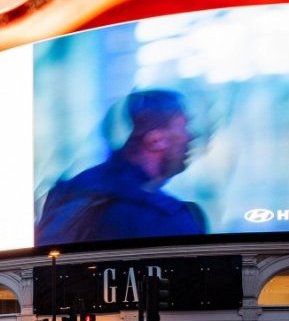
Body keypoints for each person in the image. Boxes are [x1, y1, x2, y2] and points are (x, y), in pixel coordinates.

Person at [36, 89, 208, 246]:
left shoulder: (72, 192)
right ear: (155, 141)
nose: (191, 136)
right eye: (185, 126)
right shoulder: (166, 219)